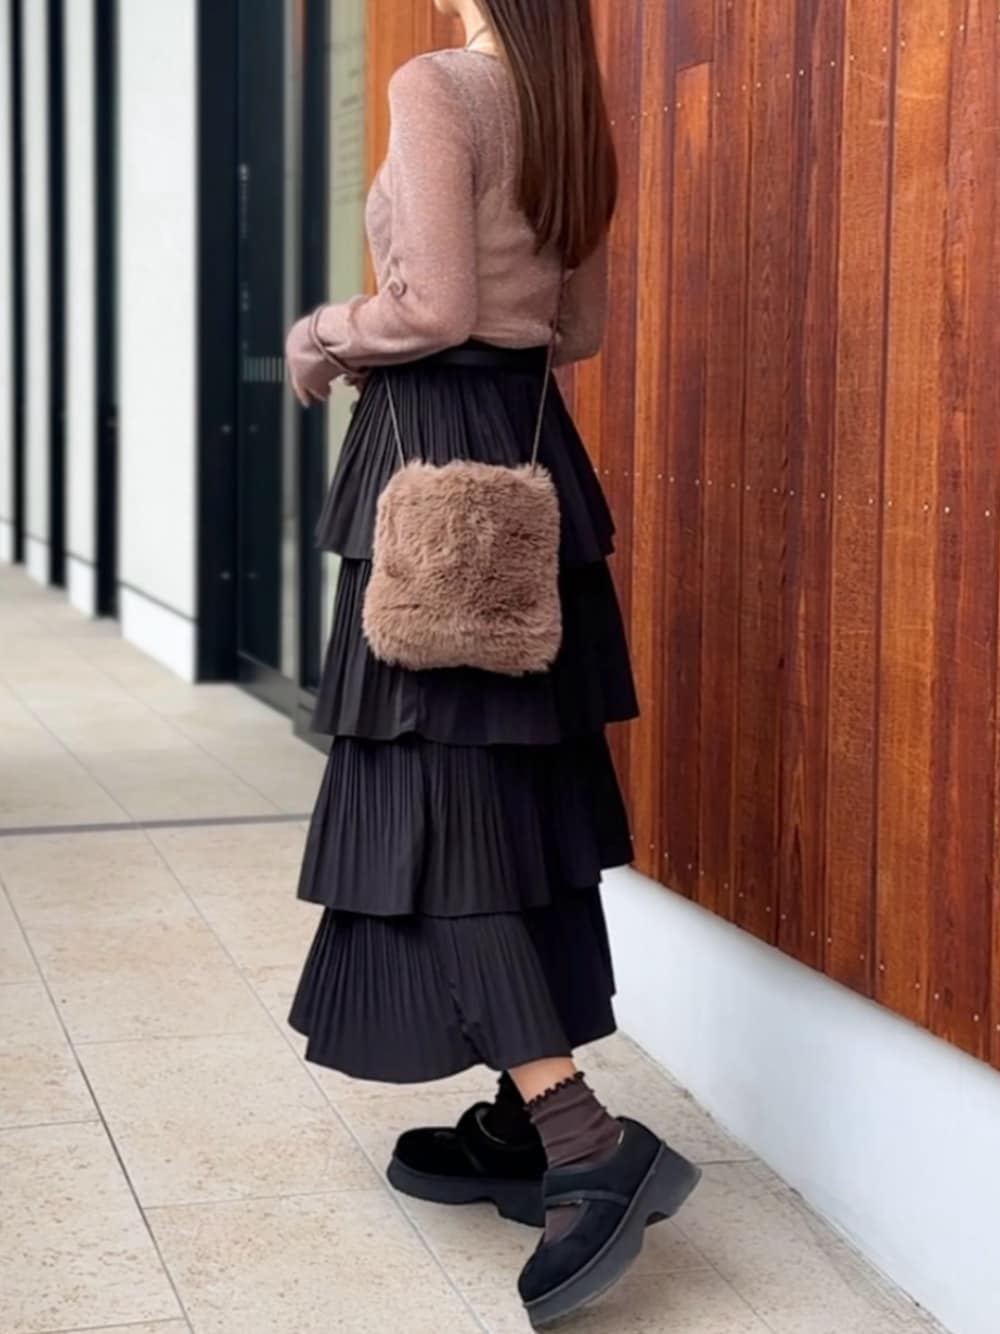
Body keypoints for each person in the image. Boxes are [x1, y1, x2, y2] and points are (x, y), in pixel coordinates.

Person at [284, 0, 700, 1324]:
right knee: (508, 801)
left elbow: (434, 304)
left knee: (435, 809)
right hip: (526, 463)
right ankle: (521, 1128)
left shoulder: (438, 86)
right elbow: (573, 328)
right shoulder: (566, 101)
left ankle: (578, 1137)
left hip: (431, 467)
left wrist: (325, 333)